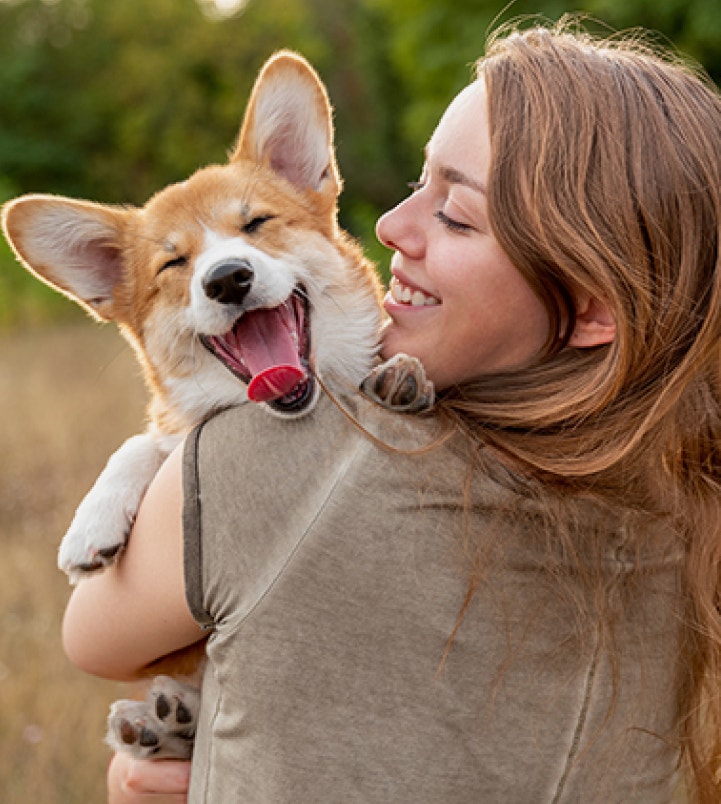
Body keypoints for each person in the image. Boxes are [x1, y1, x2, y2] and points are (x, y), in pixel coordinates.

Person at [62, 19, 721, 803]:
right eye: (419, 182)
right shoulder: (684, 506)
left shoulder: (268, 463)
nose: (386, 227)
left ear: (587, 307)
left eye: (456, 214)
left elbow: (90, 639)